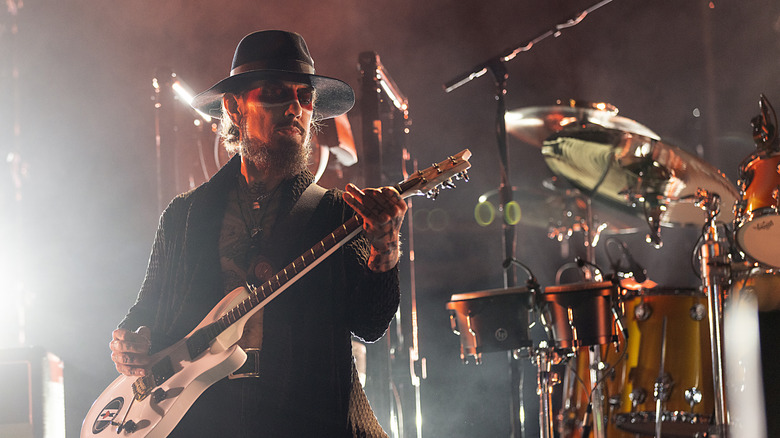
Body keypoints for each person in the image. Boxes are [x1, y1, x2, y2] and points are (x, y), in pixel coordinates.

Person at [107, 30, 406, 437]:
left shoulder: (335, 212)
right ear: (234, 106)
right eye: (275, 93)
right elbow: (148, 311)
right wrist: (131, 343)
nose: (294, 108)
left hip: (306, 418)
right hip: (208, 420)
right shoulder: (185, 215)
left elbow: (370, 323)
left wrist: (385, 248)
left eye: (304, 97)